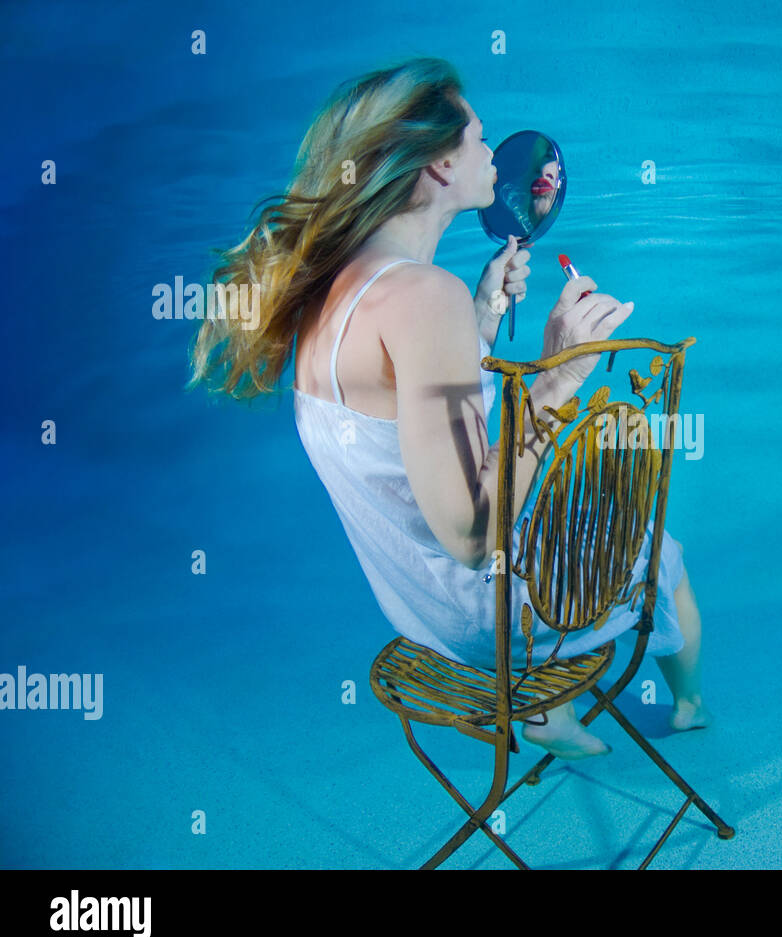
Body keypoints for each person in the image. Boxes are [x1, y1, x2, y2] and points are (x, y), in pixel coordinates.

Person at [186, 58, 710, 759]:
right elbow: (473, 536)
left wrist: (481, 316)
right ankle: (689, 708)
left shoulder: (335, 293)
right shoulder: (425, 298)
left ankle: (552, 717)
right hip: (495, 618)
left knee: (570, 524)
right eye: (479, 139)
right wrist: (559, 377)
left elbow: (408, 425)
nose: (492, 154)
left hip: (417, 609)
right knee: (655, 546)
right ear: (439, 164)